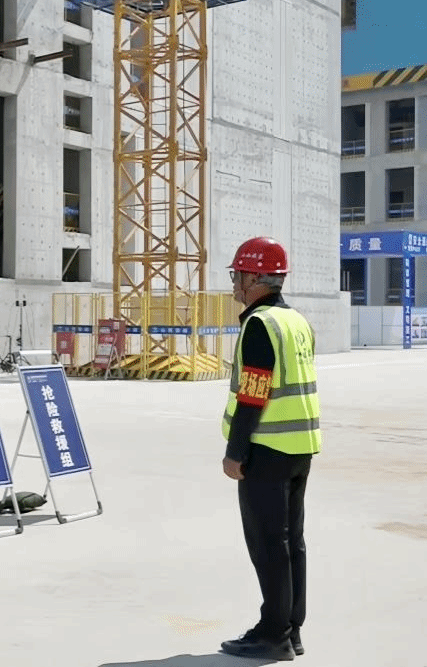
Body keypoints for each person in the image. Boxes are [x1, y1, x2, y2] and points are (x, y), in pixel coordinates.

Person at [218, 237, 321, 661]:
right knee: (291, 541)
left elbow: (253, 393)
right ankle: (291, 629)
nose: (235, 283)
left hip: (267, 449)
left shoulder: (260, 324)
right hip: (300, 447)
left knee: (268, 544)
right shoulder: (296, 321)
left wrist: (235, 451)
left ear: (255, 279)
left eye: (238, 275)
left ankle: (273, 633)